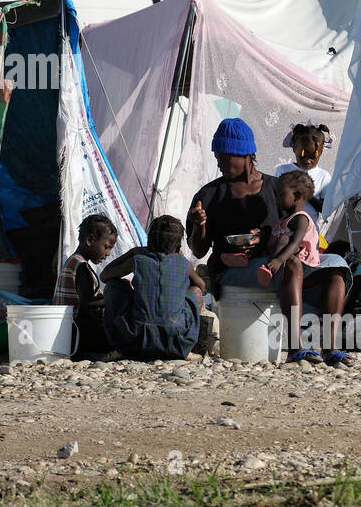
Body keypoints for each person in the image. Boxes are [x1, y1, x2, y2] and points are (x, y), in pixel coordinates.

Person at [263, 169, 354, 364]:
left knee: (337, 272)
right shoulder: (284, 221)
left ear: (296, 196)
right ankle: (296, 348)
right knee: (293, 262)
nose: (277, 198)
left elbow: (295, 243)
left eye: (281, 194)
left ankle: (330, 347)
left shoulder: (301, 218)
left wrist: (279, 260)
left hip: (306, 268)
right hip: (292, 271)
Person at [187, 117, 279, 297]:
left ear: (245, 155)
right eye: (216, 157)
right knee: (290, 270)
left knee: (336, 266)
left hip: (271, 264)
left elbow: (295, 230)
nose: (219, 163)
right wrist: (199, 225)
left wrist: (263, 238)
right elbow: (198, 251)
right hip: (228, 271)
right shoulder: (208, 195)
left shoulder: (278, 190)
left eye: (224, 157)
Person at [102, 215, 203, 360]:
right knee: (196, 291)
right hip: (177, 343)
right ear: (179, 246)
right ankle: (188, 348)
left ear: (149, 241)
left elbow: (105, 276)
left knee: (114, 285)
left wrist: (133, 252)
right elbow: (201, 286)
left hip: (134, 341)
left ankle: (118, 349)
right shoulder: (184, 263)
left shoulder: (137, 259)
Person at [53, 214, 117, 353]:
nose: (108, 253)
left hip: (66, 331)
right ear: (90, 240)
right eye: (106, 247)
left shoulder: (73, 261)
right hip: (76, 333)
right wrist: (112, 301)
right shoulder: (80, 265)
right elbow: (87, 302)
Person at [274, 122, 333, 228]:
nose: (308, 161)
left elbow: (325, 210)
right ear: (294, 148)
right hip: (284, 228)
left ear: (321, 152)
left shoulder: (324, 177)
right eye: (303, 156)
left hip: (309, 232)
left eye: (313, 157)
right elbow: (275, 201)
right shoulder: (283, 170)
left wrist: (307, 194)